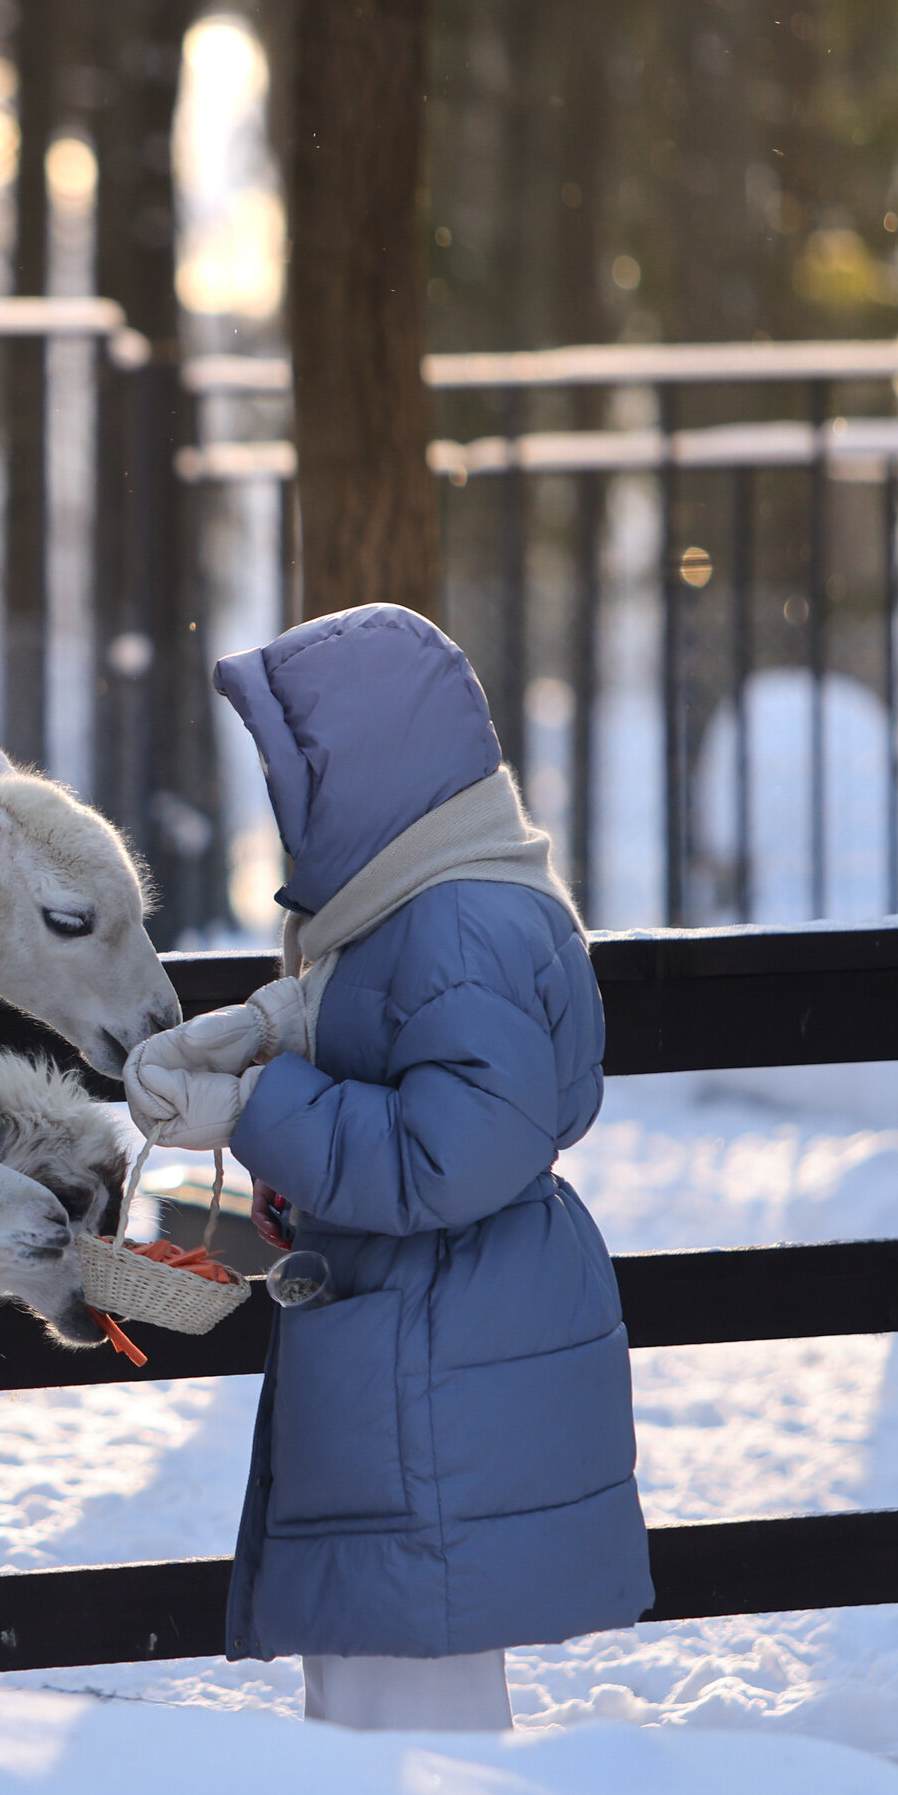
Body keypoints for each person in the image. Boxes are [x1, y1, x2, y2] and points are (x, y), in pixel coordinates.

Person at [123, 604, 649, 1732]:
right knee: (372, 1675)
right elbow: (394, 1048)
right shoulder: (417, 904)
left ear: (360, 771)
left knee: (407, 1707)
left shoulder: (459, 925)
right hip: (417, 1357)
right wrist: (271, 1030)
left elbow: (447, 1151)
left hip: (432, 1369)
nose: (283, 806)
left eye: (295, 776)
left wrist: (258, 1102)